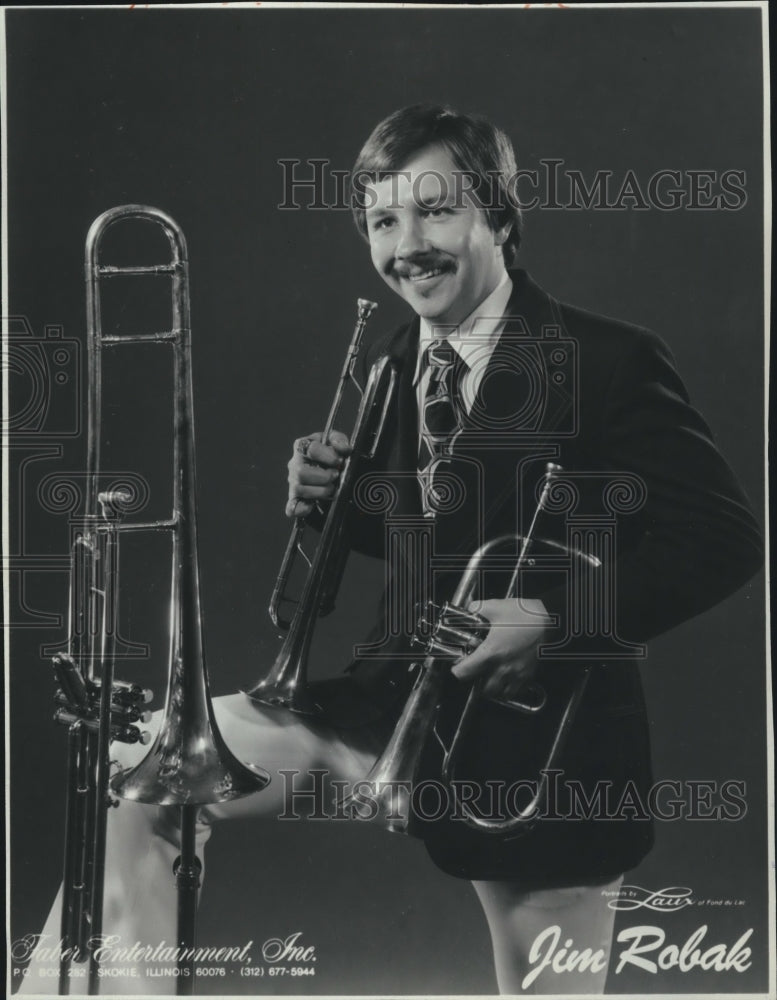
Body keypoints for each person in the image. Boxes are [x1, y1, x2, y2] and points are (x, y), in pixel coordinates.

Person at [19, 104, 763, 997]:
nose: (406, 244)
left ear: (498, 214)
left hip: (534, 743)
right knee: (139, 769)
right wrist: (337, 506)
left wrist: (550, 618)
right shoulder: (394, 352)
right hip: (375, 708)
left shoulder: (607, 360)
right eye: (381, 220)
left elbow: (723, 539)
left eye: (435, 210)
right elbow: (433, 531)